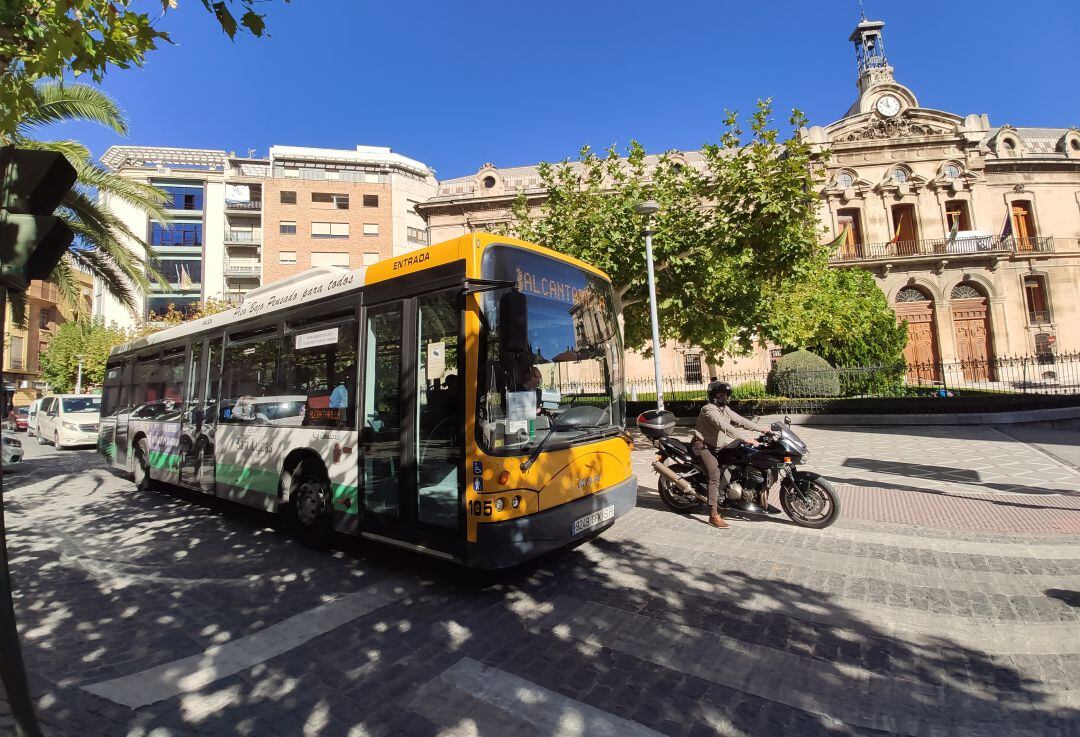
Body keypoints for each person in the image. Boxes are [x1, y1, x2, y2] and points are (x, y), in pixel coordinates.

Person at [691, 380, 772, 529]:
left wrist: (762, 430)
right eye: (720, 394)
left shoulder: (725, 409)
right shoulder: (709, 409)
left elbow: (740, 420)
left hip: (718, 447)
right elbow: (724, 426)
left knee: (738, 460)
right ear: (713, 396)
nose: (724, 397)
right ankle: (713, 514)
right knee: (714, 474)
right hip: (702, 446)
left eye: (726, 395)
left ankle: (729, 496)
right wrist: (744, 438)